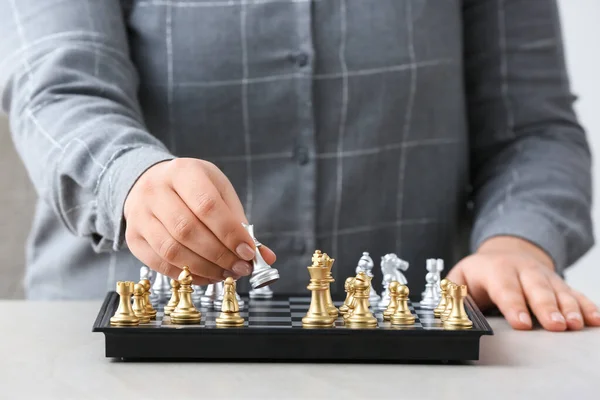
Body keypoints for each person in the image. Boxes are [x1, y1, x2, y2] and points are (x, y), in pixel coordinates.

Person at [0, 0, 598, 332]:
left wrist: (518, 245)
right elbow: (58, 90)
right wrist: (128, 178)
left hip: (411, 352)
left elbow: (534, 130)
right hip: (113, 335)